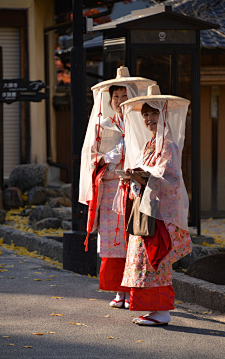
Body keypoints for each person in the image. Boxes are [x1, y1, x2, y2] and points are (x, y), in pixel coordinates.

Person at [79, 67, 155, 309]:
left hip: (134, 188)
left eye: (125, 96)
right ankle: (117, 291)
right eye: (116, 97)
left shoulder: (143, 124)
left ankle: (133, 291)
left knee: (133, 239)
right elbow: (90, 156)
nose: (121, 101)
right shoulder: (102, 125)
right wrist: (106, 158)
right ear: (110, 100)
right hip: (111, 187)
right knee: (113, 240)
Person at [115, 84, 192, 325]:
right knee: (143, 260)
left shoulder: (168, 145)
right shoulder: (150, 145)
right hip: (145, 209)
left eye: (154, 113)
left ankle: (162, 310)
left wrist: (142, 177)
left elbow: (169, 179)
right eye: (146, 114)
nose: (149, 119)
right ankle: (152, 308)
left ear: (164, 115)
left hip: (158, 213)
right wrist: (132, 176)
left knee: (154, 260)